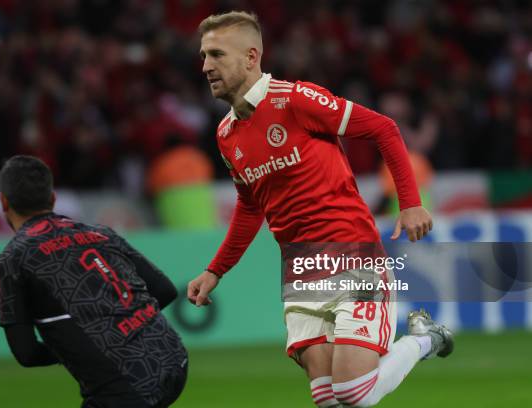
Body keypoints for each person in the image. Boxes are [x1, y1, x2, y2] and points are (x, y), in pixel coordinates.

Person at [187, 11, 453, 408]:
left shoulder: (293, 99)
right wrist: (215, 269)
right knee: (329, 401)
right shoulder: (226, 135)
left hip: (352, 254)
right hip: (301, 271)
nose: (206, 66)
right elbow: (249, 207)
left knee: (353, 394)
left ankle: (423, 339)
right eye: (204, 56)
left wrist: (410, 203)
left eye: (216, 54)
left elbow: (384, 128)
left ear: (250, 56)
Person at [0, 155, 187, 408]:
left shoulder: (13, 259)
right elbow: (165, 290)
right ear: (52, 198)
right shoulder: (99, 232)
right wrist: (127, 324)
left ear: (3, 201)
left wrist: (80, 347)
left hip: (124, 385)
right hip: (174, 358)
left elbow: (26, 353)